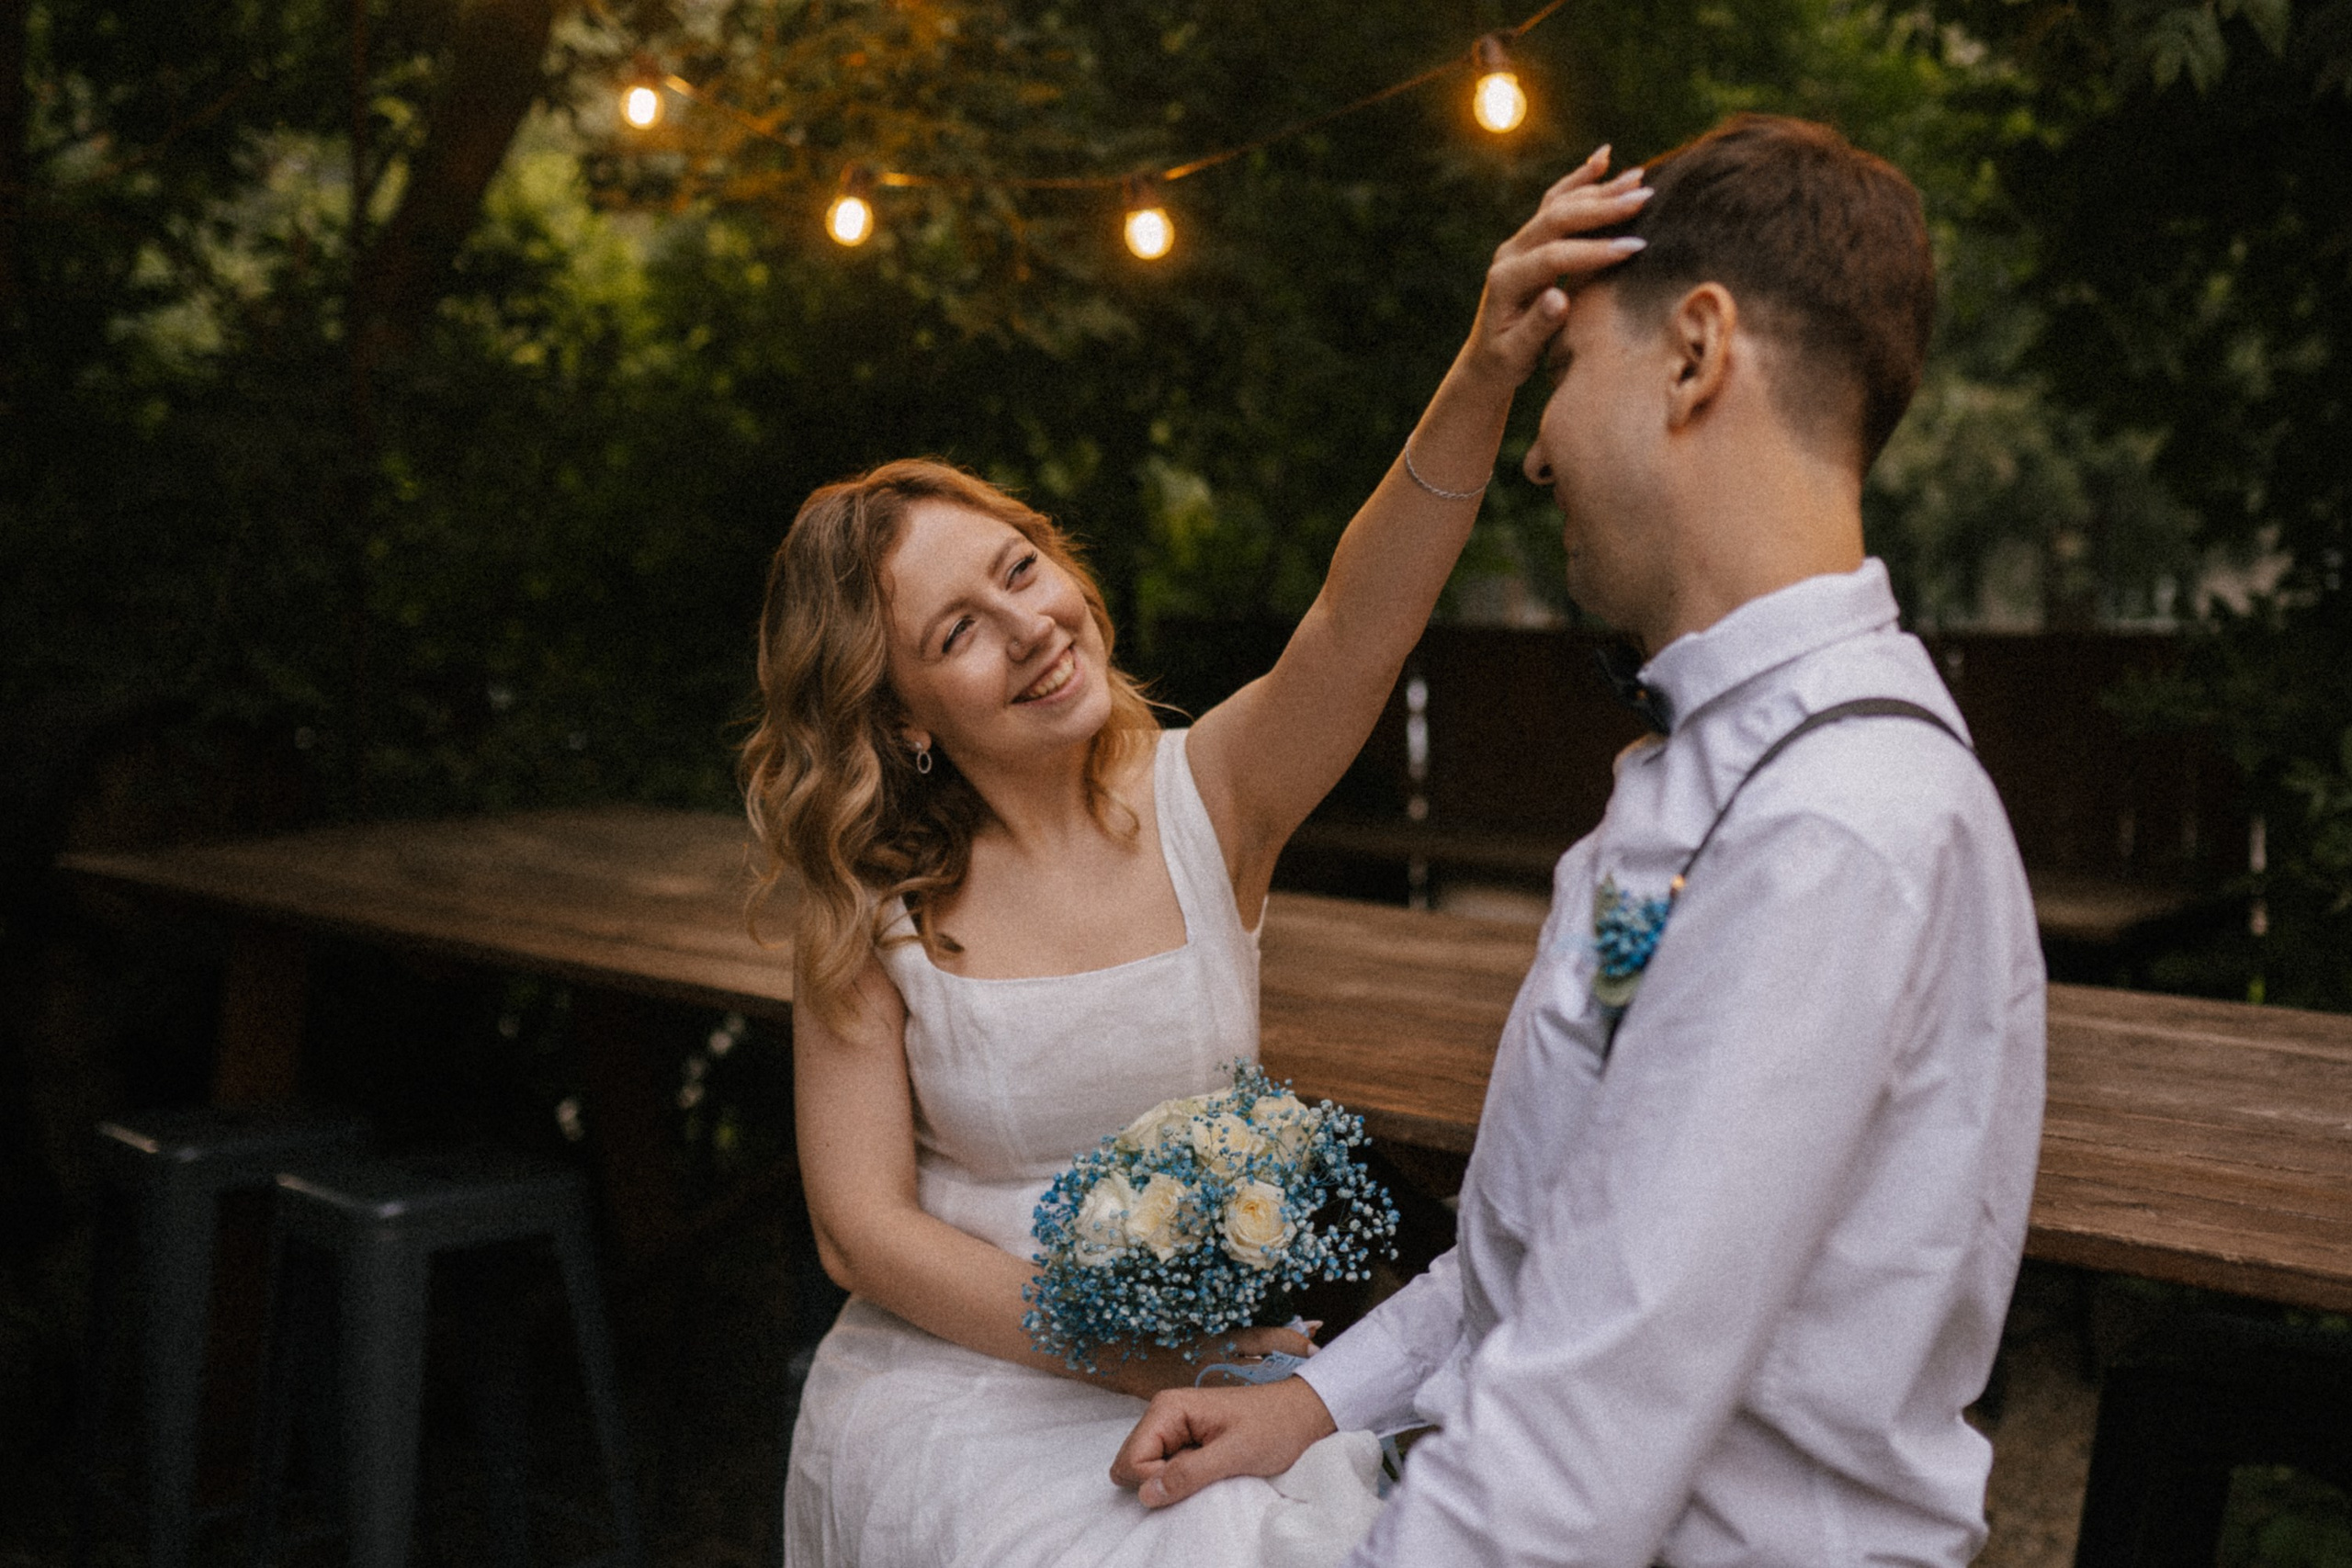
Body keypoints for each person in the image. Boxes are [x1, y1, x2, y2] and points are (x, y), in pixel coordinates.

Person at [1110, 113, 2048, 1567]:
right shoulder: (1709, 776)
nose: (1537, 451)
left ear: (1693, 353)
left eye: (1561, 370)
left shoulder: (1834, 828)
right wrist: (1313, 1400)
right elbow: (1553, 1249)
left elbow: (1592, 1420)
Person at [741, 151, 1656, 1567]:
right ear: (903, 722)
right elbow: (861, 1234)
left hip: (1206, 1384)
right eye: (956, 633)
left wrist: (1485, 369)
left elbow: (1365, 615)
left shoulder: (1213, 797)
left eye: (1021, 569)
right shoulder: (880, 902)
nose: (1027, 624)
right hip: (962, 1394)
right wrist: (1101, 1355)